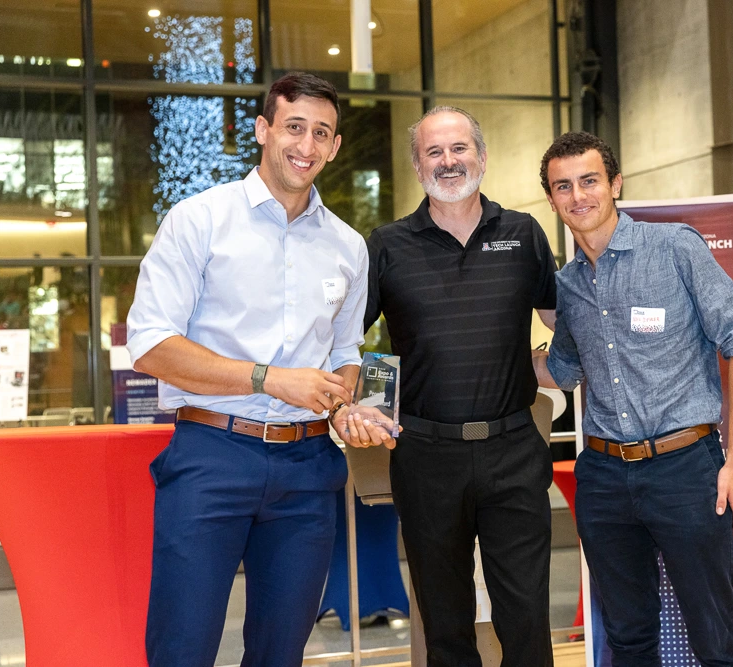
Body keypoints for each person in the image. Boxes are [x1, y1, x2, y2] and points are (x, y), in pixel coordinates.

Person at [126, 71, 393, 667]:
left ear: (335, 146)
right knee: (182, 646)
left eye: (321, 132)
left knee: (281, 652)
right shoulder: (199, 221)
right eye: (293, 127)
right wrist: (270, 379)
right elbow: (149, 344)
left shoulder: (349, 246)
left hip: (308, 467)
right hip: (211, 456)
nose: (306, 144)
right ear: (263, 130)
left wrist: (345, 403)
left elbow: (347, 355)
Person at [532, 131, 733, 667]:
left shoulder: (676, 247)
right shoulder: (568, 285)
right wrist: (480, 362)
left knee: (716, 640)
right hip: (605, 478)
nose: (578, 196)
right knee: (629, 640)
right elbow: (563, 370)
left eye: (589, 181)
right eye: (562, 186)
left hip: (687, 470)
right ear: (551, 199)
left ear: (615, 184)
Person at [363, 106, 558, 666]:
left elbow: (562, 319)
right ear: (418, 164)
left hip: (514, 452)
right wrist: (372, 404)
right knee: (444, 626)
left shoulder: (523, 233)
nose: (448, 162)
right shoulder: (387, 245)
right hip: (425, 457)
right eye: (434, 152)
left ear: (482, 156)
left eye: (458, 149)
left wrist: (551, 362)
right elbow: (349, 341)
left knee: (524, 618)